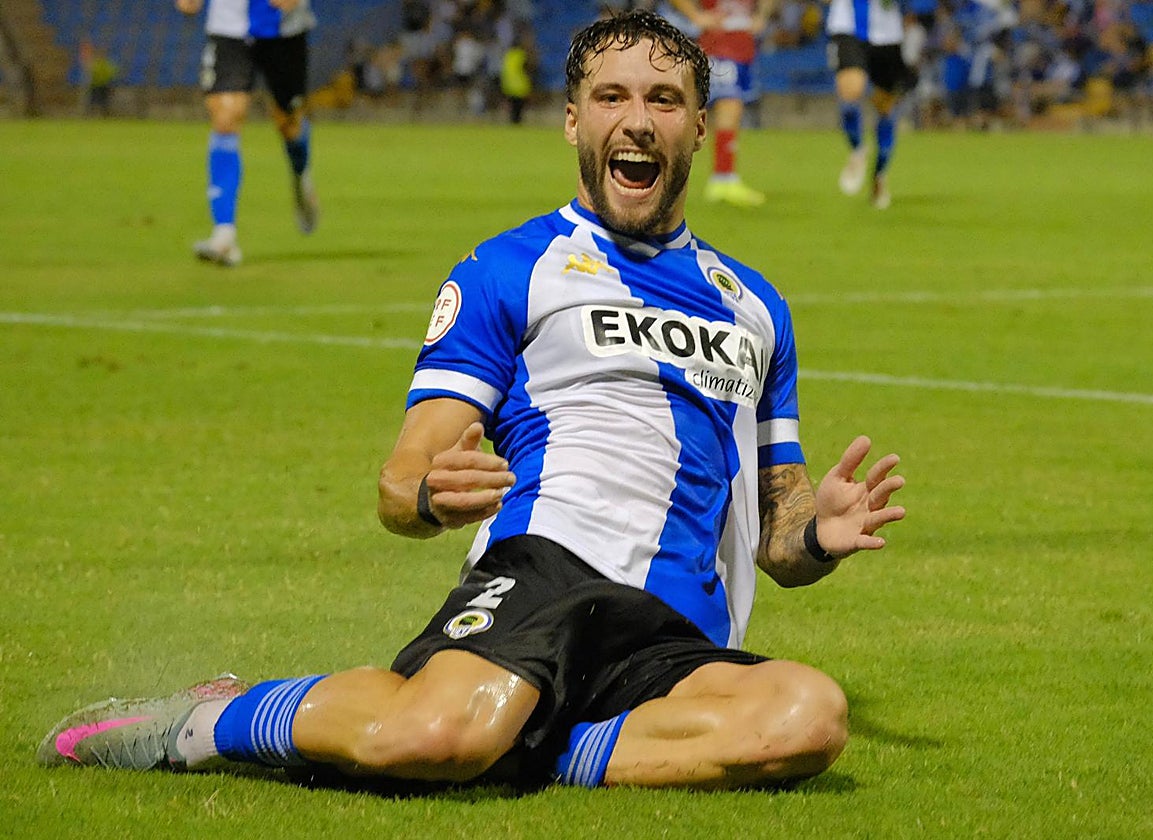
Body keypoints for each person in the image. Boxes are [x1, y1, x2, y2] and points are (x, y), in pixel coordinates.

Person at [37, 10, 905, 792]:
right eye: (611, 96)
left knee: (807, 714)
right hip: (545, 576)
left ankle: (529, 737)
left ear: (697, 125)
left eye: (665, 99)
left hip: (679, 634)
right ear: (575, 120)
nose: (637, 118)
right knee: (434, 736)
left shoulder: (756, 308)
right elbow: (402, 477)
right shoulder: (509, 270)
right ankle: (205, 720)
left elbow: (779, 534)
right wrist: (425, 495)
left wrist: (818, 535)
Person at [175, 0, 320, 267]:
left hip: (284, 29)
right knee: (225, 115)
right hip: (228, 28)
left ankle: (301, 173)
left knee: (289, 124)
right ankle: (224, 235)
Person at [667, 0, 779, 207]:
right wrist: (696, 16)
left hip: (744, 47)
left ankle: (722, 178)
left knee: (730, 110)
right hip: (718, 45)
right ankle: (722, 179)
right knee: (729, 105)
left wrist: (762, 16)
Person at [826, 0, 917, 209]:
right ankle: (858, 150)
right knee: (850, 94)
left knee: (885, 110)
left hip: (888, 35)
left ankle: (879, 175)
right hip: (847, 29)